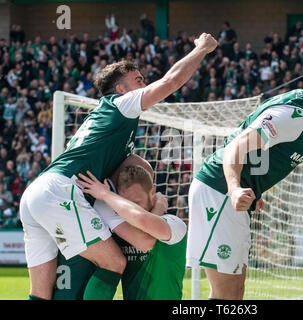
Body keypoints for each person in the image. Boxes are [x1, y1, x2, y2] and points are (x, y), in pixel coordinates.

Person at [19, 33, 217, 300]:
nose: (145, 84)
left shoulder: (107, 123)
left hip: (37, 192)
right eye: (138, 80)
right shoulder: (120, 105)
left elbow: (134, 166)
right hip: (60, 191)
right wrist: (202, 49)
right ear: (121, 89)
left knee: (40, 293)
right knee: (114, 263)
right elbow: (172, 81)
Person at [186, 50, 303, 300]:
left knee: (235, 293)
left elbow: (262, 152)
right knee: (226, 294)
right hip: (218, 192)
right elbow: (236, 146)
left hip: (228, 195)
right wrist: (235, 187)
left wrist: (253, 187)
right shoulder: (297, 114)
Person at [54, 154, 187, 300]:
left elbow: (145, 235)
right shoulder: (121, 223)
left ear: (152, 193)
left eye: (136, 203)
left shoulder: (175, 224)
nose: (130, 210)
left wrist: (105, 194)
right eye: (125, 204)